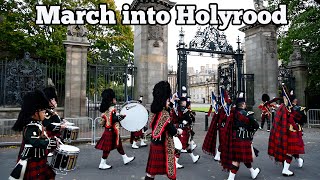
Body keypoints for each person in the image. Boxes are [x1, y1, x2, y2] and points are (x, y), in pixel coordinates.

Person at [10, 90, 57, 180]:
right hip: (32, 160)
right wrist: (50, 142)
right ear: (36, 113)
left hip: (41, 159)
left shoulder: (37, 124)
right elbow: (36, 142)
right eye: (42, 111)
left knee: (50, 176)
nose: (45, 112)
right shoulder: (30, 127)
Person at [145, 81, 182, 180]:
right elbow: (172, 130)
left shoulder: (154, 111)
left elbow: (167, 108)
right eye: (167, 99)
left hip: (154, 144)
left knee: (151, 173)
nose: (168, 101)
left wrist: (172, 100)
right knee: (171, 170)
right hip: (164, 145)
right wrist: (178, 131)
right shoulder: (164, 114)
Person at [220, 91, 260, 180]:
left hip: (234, 138)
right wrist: (250, 132)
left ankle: (252, 172)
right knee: (239, 159)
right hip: (244, 139)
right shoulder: (248, 114)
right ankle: (231, 178)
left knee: (241, 158)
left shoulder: (232, 114)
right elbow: (256, 126)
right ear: (243, 104)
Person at [268, 86, 306, 176]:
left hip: (286, 132)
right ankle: (285, 169)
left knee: (293, 148)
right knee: (291, 150)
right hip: (293, 132)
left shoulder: (283, 108)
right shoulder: (297, 109)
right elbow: (303, 120)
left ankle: (299, 160)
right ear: (294, 100)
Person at [95, 88, 135, 170]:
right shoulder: (112, 109)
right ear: (111, 100)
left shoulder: (107, 109)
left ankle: (125, 158)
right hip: (110, 131)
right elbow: (113, 119)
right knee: (107, 149)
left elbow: (104, 121)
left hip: (111, 131)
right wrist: (122, 117)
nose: (115, 100)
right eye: (114, 98)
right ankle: (102, 163)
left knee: (119, 144)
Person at [174, 96, 200, 169]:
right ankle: (175, 162)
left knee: (186, 145)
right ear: (182, 102)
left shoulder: (182, 109)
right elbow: (185, 119)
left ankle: (193, 157)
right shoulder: (181, 109)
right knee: (180, 146)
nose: (186, 102)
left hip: (184, 129)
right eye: (185, 101)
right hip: (181, 130)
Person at [42, 87, 66, 156]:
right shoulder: (46, 112)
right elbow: (47, 125)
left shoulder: (50, 111)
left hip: (56, 137)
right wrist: (60, 126)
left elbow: (54, 120)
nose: (54, 101)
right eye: (52, 99)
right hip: (51, 137)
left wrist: (62, 120)